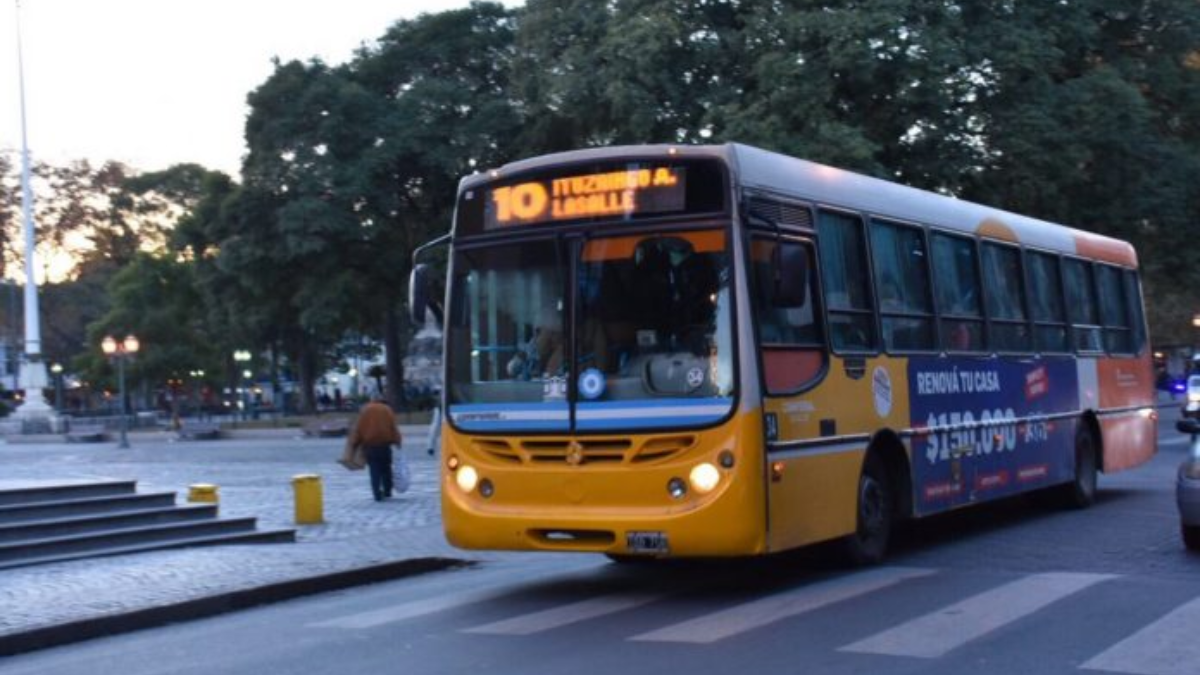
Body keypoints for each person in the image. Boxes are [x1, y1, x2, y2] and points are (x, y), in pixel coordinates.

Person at [344, 393, 401, 501]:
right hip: (385, 445)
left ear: (371, 399)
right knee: (386, 468)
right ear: (381, 399)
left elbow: (359, 428)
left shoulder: (365, 410)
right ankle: (387, 490)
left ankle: (376, 493)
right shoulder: (387, 409)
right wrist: (397, 441)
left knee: (374, 470)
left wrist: (354, 443)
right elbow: (393, 427)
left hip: (370, 446)